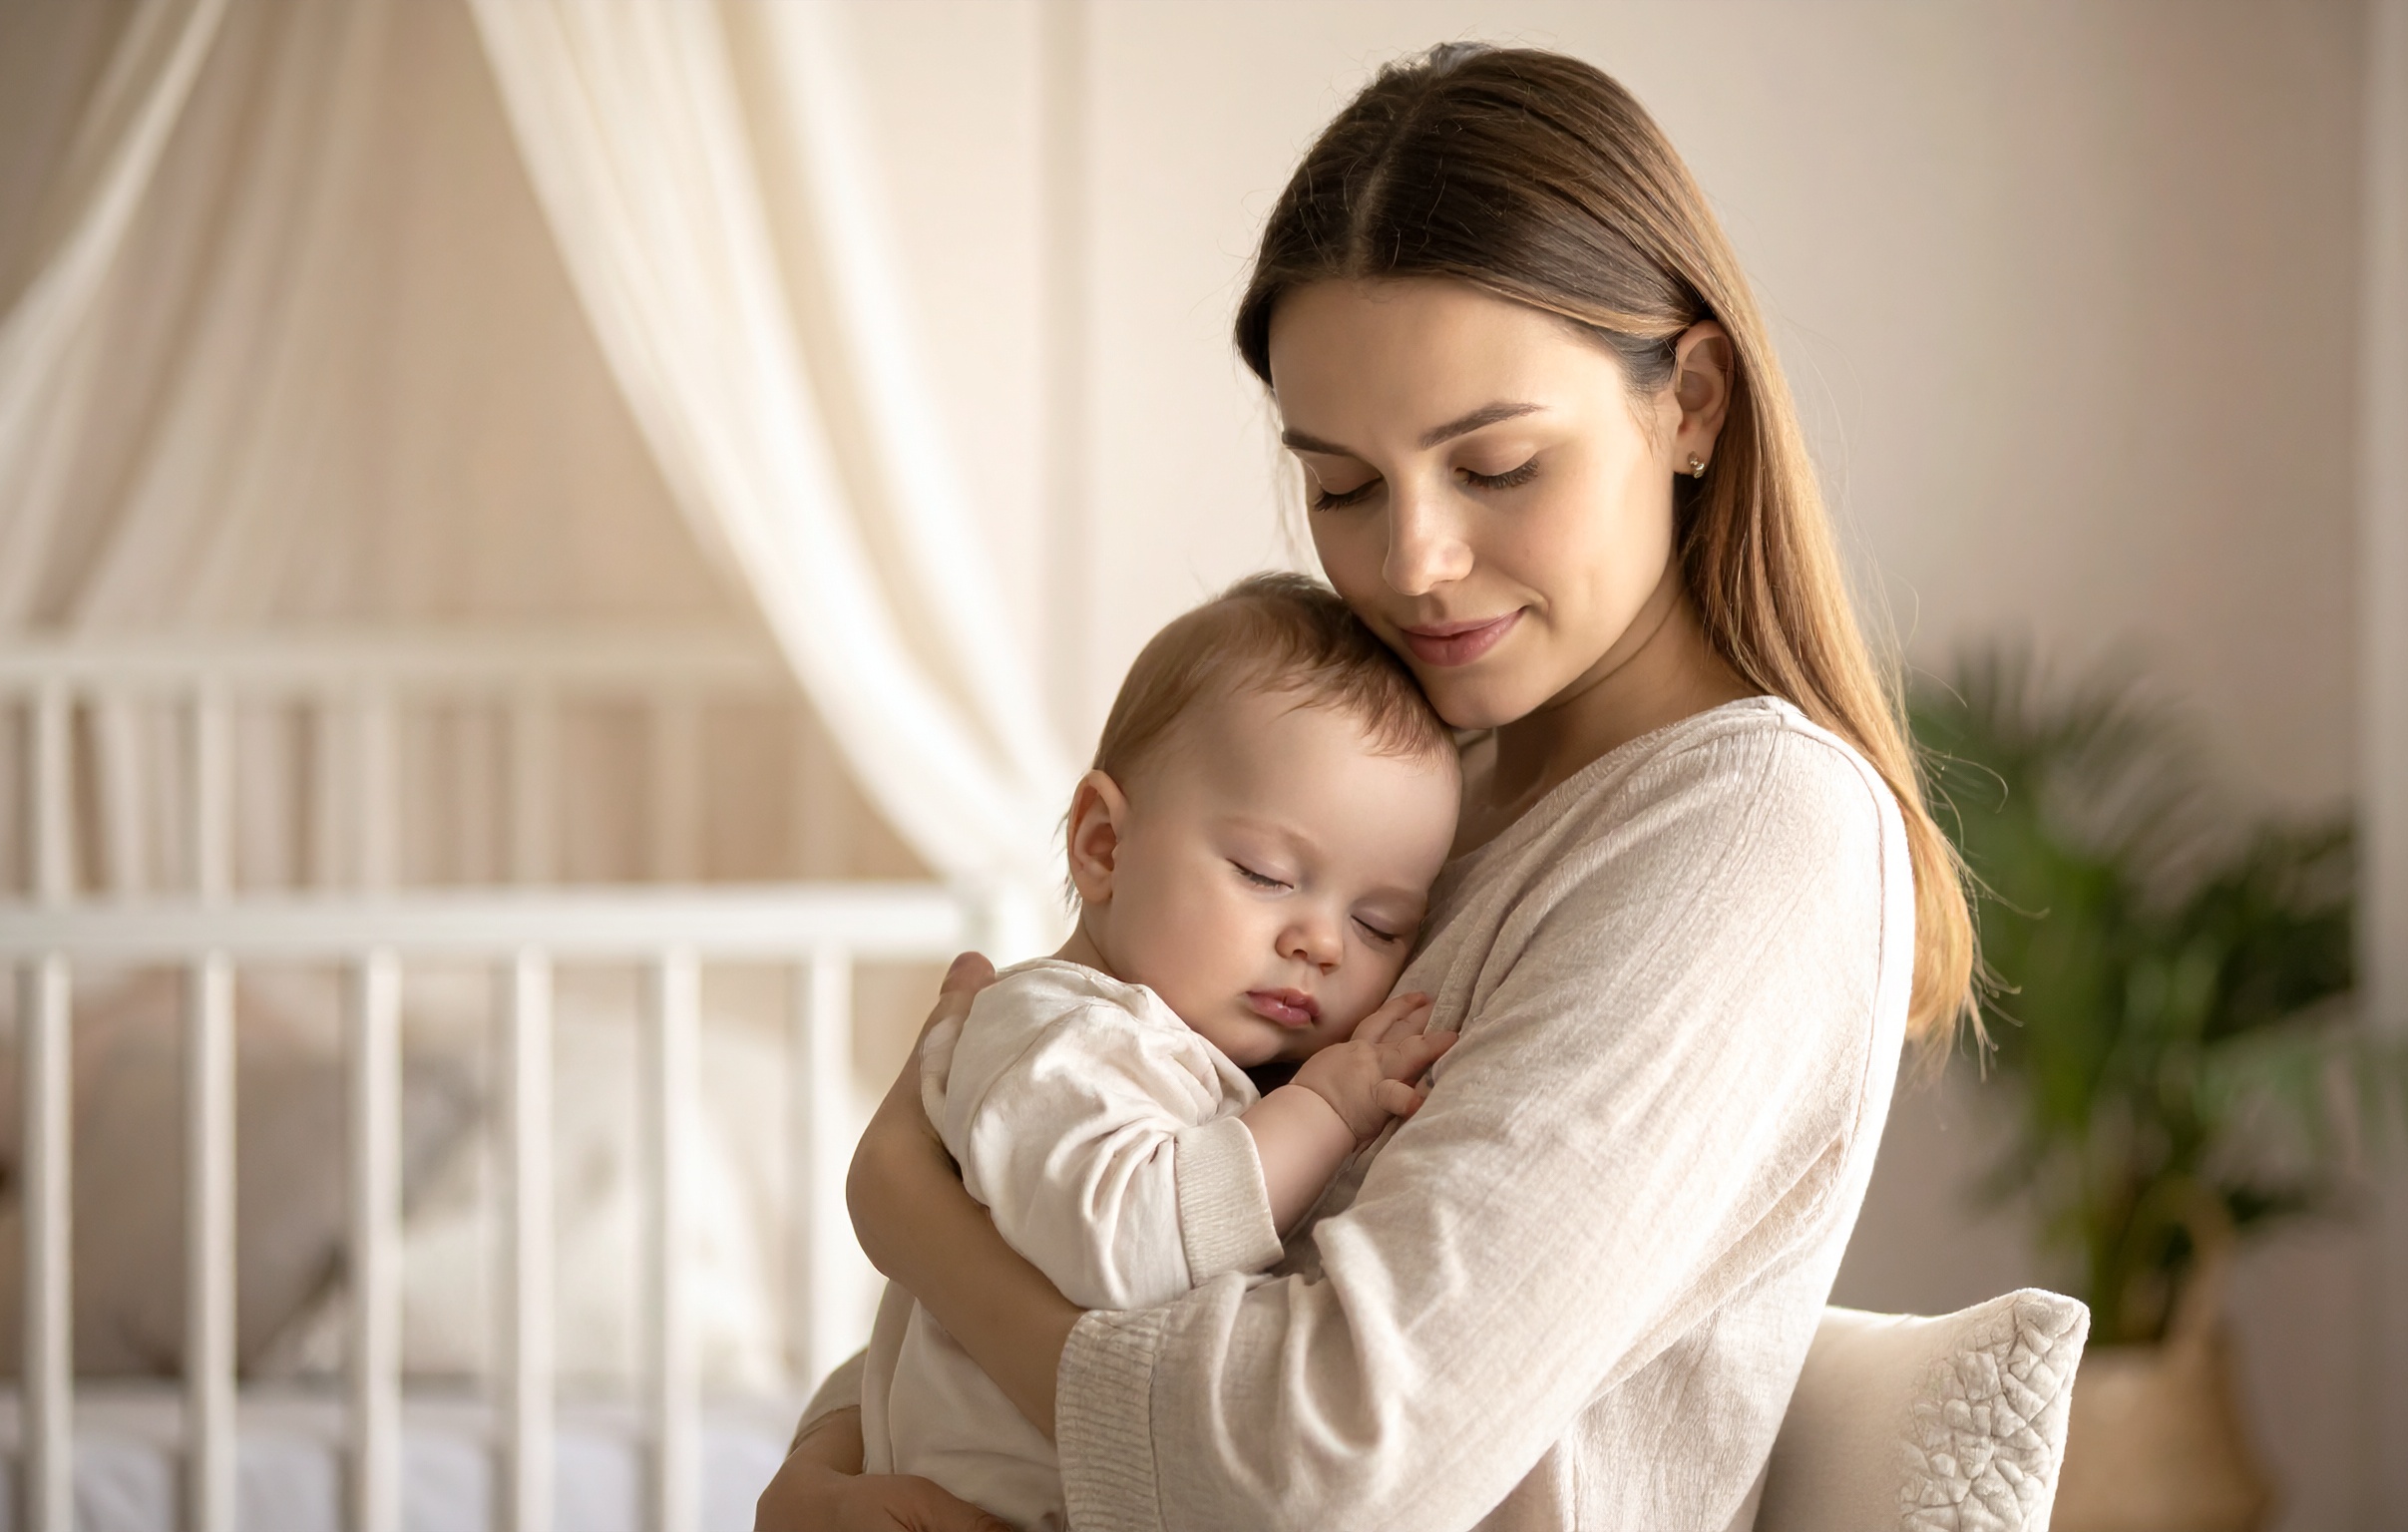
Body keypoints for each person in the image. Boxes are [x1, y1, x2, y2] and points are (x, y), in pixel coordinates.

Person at [760, 41, 1974, 1532]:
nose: (1410, 563)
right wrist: (828, 1468)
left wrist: (911, 1222)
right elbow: (1097, 1181)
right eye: (1340, 484)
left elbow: (1325, 1467)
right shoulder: (1402, 790)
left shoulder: (1748, 835)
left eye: (1500, 467)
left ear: (1694, 405)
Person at [849, 575, 1460, 1530]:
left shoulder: (1182, 1047)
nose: (1322, 943)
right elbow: (1129, 1249)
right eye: (1265, 874)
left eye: (1380, 925)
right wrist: (1325, 1113)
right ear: (1102, 844)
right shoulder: (1060, 1037)